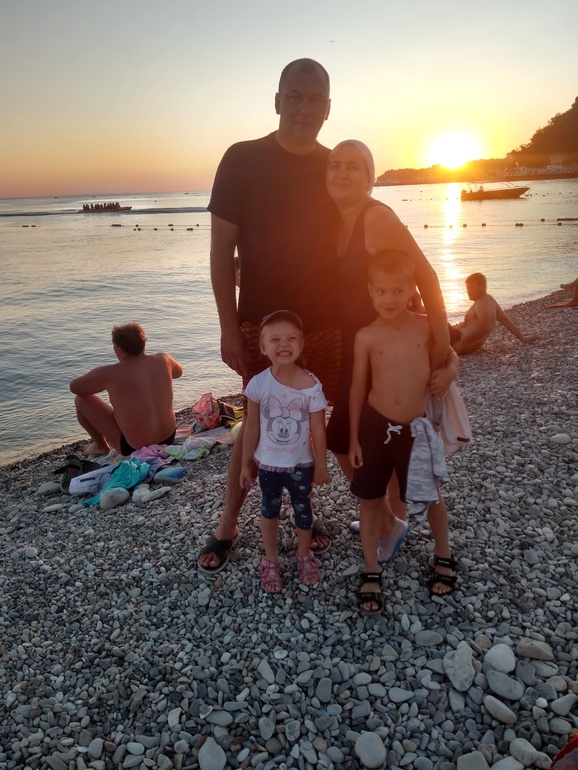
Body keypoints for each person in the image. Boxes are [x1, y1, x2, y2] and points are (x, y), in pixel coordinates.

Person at [198, 58, 341, 574]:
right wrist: (227, 327)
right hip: (260, 325)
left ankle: (303, 514)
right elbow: (221, 251)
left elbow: (354, 246)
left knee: (307, 418)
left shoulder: (336, 166)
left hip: (326, 324)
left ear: (328, 107)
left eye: (315, 99)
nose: (305, 108)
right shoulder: (242, 159)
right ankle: (228, 524)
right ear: (277, 100)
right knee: (255, 422)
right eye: (295, 97)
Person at [324, 140, 457, 595]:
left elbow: (426, 276)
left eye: (354, 167)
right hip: (361, 347)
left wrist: (444, 353)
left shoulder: (375, 217)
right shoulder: (337, 223)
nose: (342, 173)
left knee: (342, 438)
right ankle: (386, 521)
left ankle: (389, 522)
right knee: (352, 439)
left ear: (370, 177)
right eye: (334, 166)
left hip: (386, 345)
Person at [349, 250, 455, 613]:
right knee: (370, 499)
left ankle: (443, 553)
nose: (389, 298)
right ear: (370, 290)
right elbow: (357, 389)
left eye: (397, 290)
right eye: (381, 290)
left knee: (432, 496)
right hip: (374, 426)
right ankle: (371, 567)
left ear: (412, 289)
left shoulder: (425, 326)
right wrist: (353, 438)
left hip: (415, 428)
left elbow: (450, 353)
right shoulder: (366, 336)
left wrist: (450, 371)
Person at [240, 310, 330, 592]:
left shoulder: (312, 386)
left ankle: (304, 552)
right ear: (263, 347)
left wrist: (321, 465)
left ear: (301, 344)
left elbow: (318, 430)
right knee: (269, 509)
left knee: (303, 508)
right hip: (267, 465)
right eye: (275, 339)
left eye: (291, 338)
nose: (283, 344)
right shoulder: (258, 384)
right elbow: (251, 427)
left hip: (301, 465)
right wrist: (245, 464)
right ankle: (271, 558)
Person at [70, 322, 182, 456]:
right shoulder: (163, 359)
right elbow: (178, 372)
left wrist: (103, 378)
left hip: (133, 447)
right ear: (143, 344)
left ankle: (101, 446)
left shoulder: (110, 373)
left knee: (81, 400)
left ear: (120, 349)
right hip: (168, 437)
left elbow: (75, 387)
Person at [450, 273, 539, 354]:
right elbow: (504, 320)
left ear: (482, 287)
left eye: (472, 287)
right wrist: (522, 338)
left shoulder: (481, 303)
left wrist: (463, 343)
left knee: (441, 321)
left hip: (459, 342)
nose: (468, 291)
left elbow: (485, 328)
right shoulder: (490, 300)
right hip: (466, 343)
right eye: (467, 288)